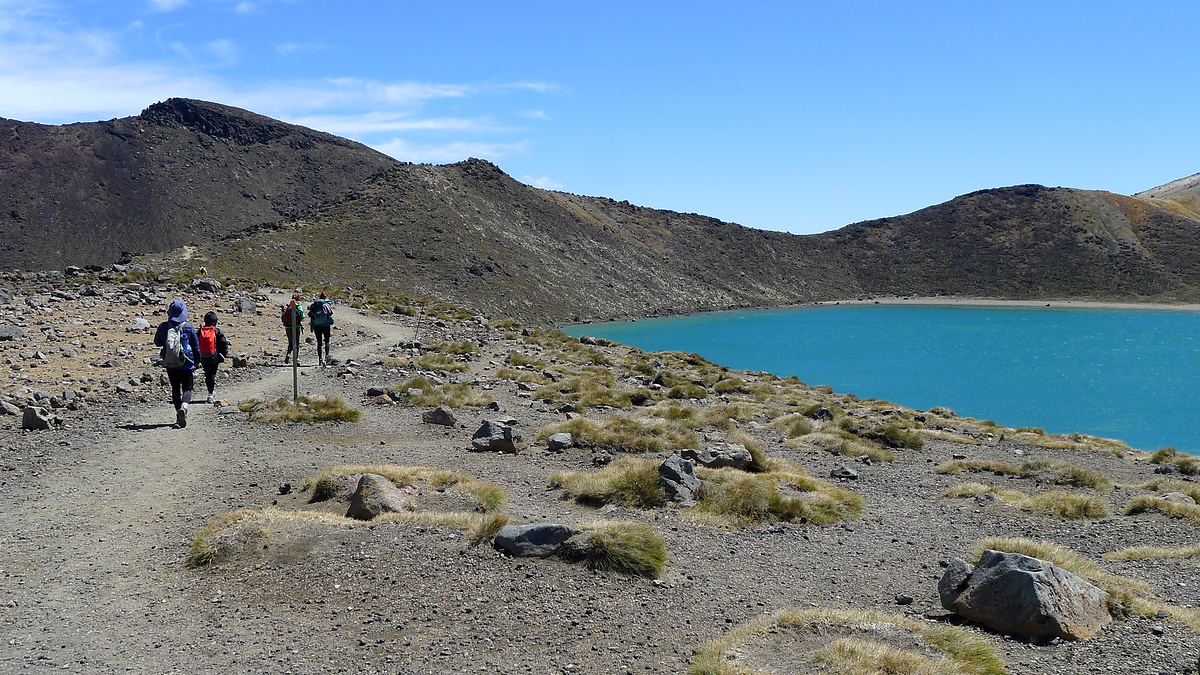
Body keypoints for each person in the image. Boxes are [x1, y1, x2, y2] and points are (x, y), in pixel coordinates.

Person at [154, 299, 200, 428]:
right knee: (187, 388)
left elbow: (157, 342)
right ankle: (184, 408)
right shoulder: (188, 327)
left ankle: (177, 414)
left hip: (170, 363)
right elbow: (196, 346)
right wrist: (197, 361)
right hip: (186, 362)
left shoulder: (164, 326)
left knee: (175, 388)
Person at [197, 311, 231, 403]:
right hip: (214, 356)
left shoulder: (200, 331)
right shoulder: (217, 331)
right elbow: (223, 343)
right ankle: (210, 394)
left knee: (207, 374)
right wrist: (223, 354)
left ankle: (210, 391)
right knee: (212, 374)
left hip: (203, 356)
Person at [308, 292, 335, 366]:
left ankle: (320, 359)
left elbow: (312, 317)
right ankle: (327, 357)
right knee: (327, 341)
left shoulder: (315, 306)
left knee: (319, 343)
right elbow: (329, 316)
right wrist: (331, 322)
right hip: (326, 325)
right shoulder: (326, 305)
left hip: (316, 326)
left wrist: (312, 326)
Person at [281, 293, 305, 364]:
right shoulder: (298, 305)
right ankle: (296, 359)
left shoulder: (288, 306)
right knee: (296, 343)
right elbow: (302, 315)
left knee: (290, 342)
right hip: (296, 326)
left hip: (288, 326)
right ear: (298, 298)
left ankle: (288, 354)